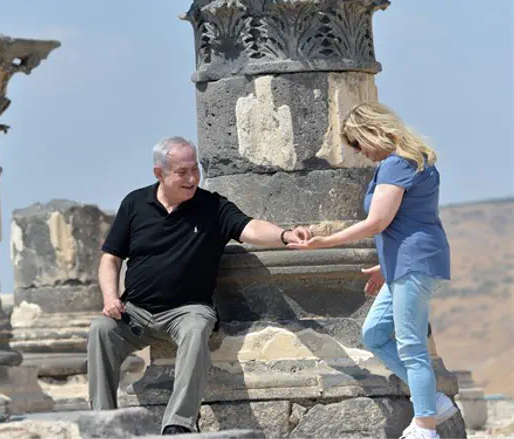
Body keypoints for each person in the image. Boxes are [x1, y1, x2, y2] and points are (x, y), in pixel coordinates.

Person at [86, 136, 311, 435]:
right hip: (136, 313)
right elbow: (110, 259)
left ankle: (178, 424)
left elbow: (251, 227)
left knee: (195, 328)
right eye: (182, 172)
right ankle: (103, 424)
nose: (192, 178)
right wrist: (111, 297)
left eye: (196, 170)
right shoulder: (134, 204)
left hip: (187, 310)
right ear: (159, 174)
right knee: (100, 330)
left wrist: (285, 236)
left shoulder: (212, 206)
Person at [287, 103, 457, 439]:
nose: (360, 152)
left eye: (357, 142)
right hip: (407, 261)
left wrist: (323, 242)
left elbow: (378, 222)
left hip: (413, 262)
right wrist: (386, 262)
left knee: (410, 345)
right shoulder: (413, 160)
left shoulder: (397, 164)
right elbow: (411, 219)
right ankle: (431, 402)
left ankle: (426, 425)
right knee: (376, 334)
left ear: (371, 131)